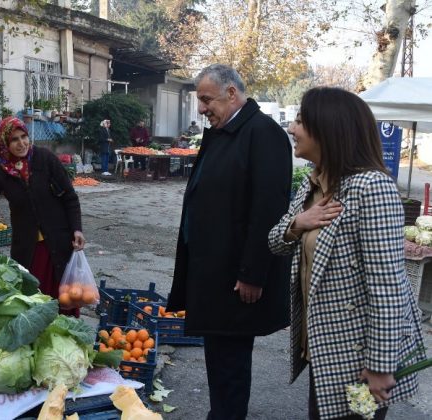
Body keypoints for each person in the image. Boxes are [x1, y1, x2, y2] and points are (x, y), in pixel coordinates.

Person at [268, 87, 426, 419]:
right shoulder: (312, 182)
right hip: (322, 348)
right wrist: (299, 222)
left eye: (299, 121)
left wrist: (381, 365)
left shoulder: (371, 188)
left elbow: (388, 286)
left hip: (358, 355)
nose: (291, 129)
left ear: (328, 128)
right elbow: (275, 243)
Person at [166, 64, 292, 420]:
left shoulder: (262, 134)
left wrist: (253, 272)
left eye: (207, 100)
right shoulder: (226, 129)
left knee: (231, 362)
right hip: (214, 271)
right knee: (219, 357)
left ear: (232, 94)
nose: (202, 108)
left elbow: (268, 208)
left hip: (236, 277)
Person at [0, 116, 86, 315]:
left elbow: (70, 197)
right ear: (4, 144)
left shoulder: (45, 159)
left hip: (59, 243)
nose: (21, 143)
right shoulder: (0, 172)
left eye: (24, 136)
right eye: (14, 140)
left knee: (64, 306)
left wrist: (77, 228)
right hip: (28, 249)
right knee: (33, 306)